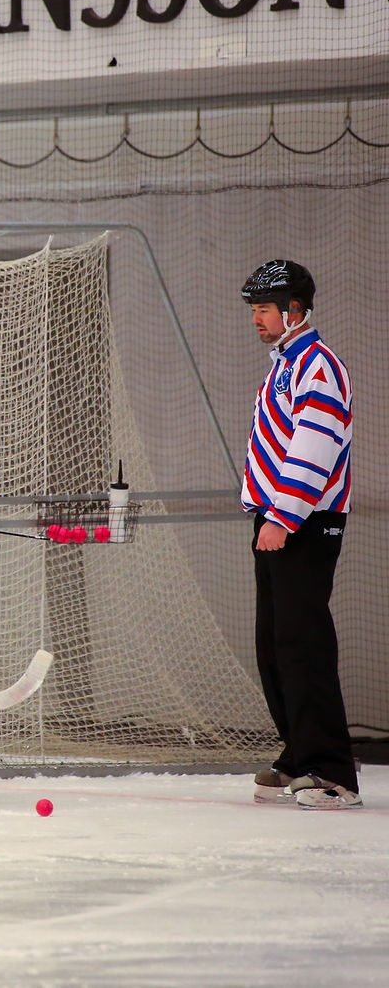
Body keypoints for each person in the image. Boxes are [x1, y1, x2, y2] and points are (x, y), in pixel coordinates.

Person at [240, 260, 360, 811]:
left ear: (294, 310)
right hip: (278, 522)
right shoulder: (285, 365)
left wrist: (283, 517)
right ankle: (299, 753)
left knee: (303, 645)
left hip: (303, 524)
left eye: (264, 309)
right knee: (275, 645)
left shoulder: (319, 366)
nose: (256, 319)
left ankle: (331, 772)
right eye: (255, 310)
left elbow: (314, 448)